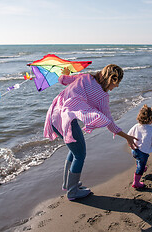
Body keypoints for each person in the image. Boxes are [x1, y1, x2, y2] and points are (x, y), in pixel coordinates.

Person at [44, 64, 138, 200]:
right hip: (65, 120)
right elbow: (110, 123)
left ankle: (69, 184)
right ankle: (72, 192)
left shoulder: (86, 77)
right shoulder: (102, 97)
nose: (117, 86)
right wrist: (127, 137)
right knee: (80, 155)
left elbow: (62, 80)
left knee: (74, 150)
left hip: (54, 114)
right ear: (113, 79)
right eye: (118, 82)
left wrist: (66, 73)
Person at [128, 105, 152, 189]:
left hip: (134, 150)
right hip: (143, 153)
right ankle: (136, 182)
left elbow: (128, 135)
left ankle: (140, 166)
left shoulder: (135, 126)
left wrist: (131, 143)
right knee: (141, 166)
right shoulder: (151, 129)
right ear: (150, 120)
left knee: (138, 160)